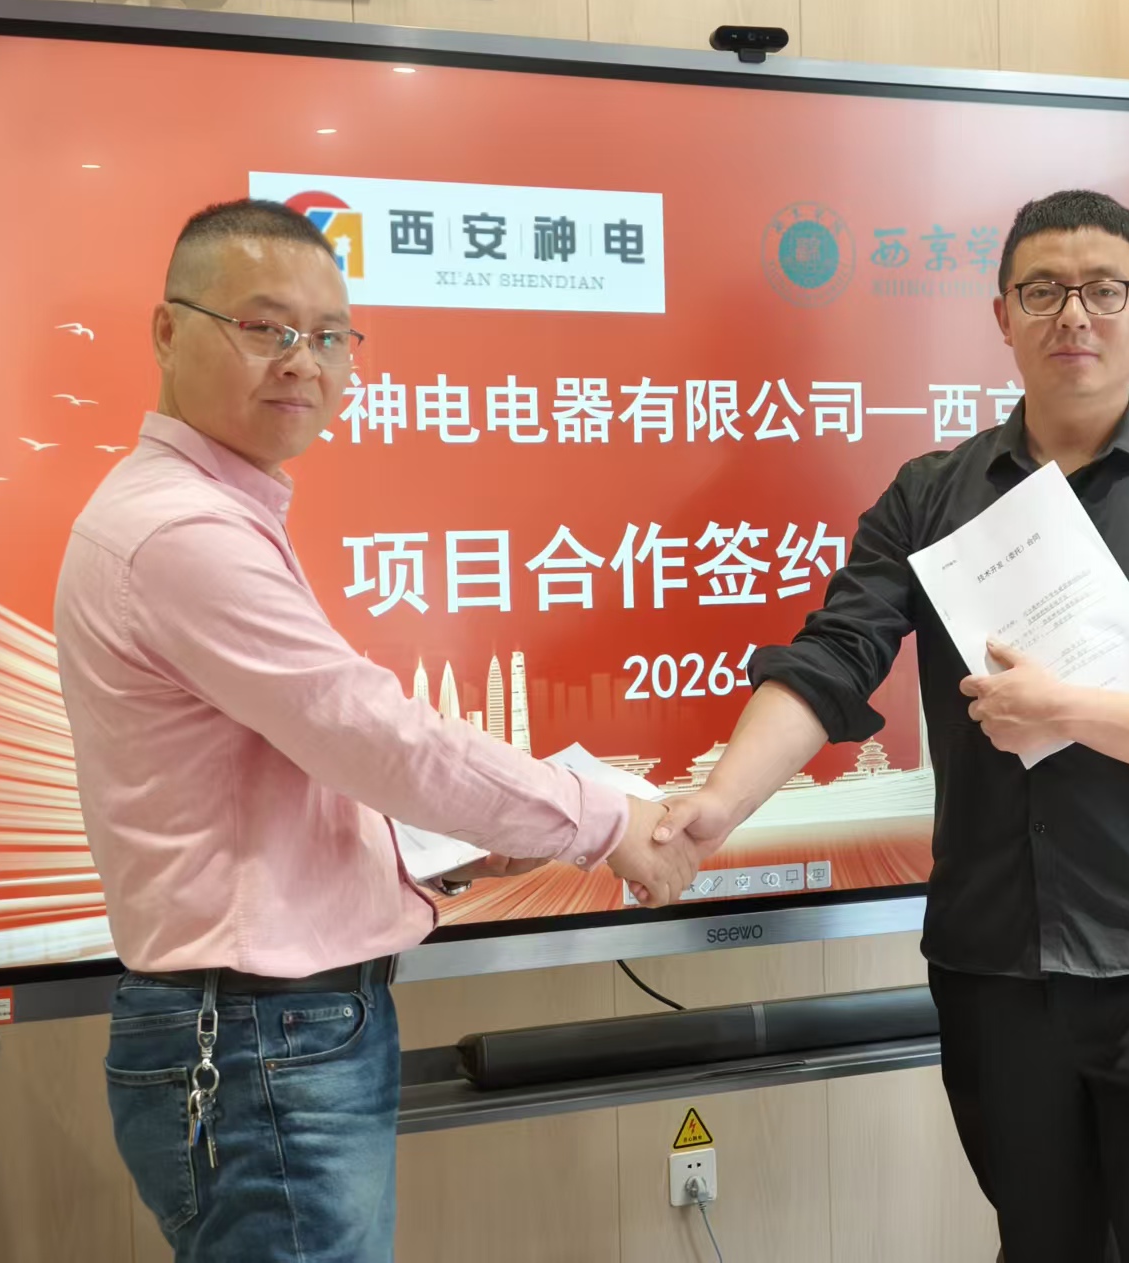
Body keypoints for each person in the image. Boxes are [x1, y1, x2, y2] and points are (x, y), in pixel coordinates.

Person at [659, 190, 1129, 1262]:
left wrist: (1065, 710)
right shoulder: (931, 498)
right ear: (1001, 315)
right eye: (1043, 290)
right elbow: (832, 659)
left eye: (1103, 288)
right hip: (995, 969)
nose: (1074, 314)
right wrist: (718, 806)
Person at [55, 199, 698, 1262]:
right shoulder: (181, 532)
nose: (301, 362)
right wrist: (602, 819)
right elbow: (370, 734)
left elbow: (290, 766)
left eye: (329, 336)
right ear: (168, 331)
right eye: (264, 327)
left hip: (271, 1031)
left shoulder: (211, 510)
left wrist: (443, 848)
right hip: (262, 1037)